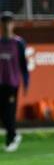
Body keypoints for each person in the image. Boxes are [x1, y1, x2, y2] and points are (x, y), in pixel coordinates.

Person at [0, 12, 28, 152]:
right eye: (4, 22)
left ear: (13, 24)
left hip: (12, 83)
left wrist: (26, 82)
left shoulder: (18, 43)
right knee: (2, 114)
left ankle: (11, 139)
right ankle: (13, 135)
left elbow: (23, 64)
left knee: (9, 113)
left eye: (9, 22)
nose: (6, 25)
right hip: (1, 83)